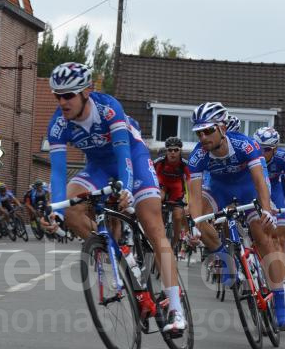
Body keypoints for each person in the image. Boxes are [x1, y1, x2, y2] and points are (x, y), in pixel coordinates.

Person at [41, 62, 187, 333]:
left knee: (153, 226)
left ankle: (177, 309)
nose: (62, 102)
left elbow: (123, 156)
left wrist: (127, 190)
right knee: (71, 207)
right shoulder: (58, 125)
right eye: (57, 96)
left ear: (86, 91)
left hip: (134, 160)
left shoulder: (108, 108)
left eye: (68, 95)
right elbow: (59, 174)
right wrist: (56, 211)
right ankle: (113, 251)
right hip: (97, 168)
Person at [185, 102, 285, 330]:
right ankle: (226, 259)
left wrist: (266, 209)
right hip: (219, 190)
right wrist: (194, 225)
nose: (203, 137)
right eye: (199, 132)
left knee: (262, 236)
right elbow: (194, 197)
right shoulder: (197, 156)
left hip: (248, 190)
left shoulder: (245, 145)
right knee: (199, 218)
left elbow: (260, 181)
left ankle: (280, 304)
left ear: (223, 128)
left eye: (208, 131)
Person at [254, 127, 285, 309]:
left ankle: (282, 289)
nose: (262, 152)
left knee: (280, 239)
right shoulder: (253, 157)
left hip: (276, 191)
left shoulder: (284, 158)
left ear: (274, 149)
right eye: (259, 148)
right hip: (257, 189)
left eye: (266, 149)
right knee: (259, 236)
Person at [153, 136, 190, 254]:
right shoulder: (159, 162)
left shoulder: (185, 165)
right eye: (170, 150)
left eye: (176, 150)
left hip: (177, 190)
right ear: (166, 151)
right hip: (162, 186)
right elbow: (152, 178)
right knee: (159, 199)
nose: (172, 152)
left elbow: (189, 183)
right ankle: (157, 231)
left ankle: (174, 243)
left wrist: (189, 202)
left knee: (178, 216)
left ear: (180, 151)